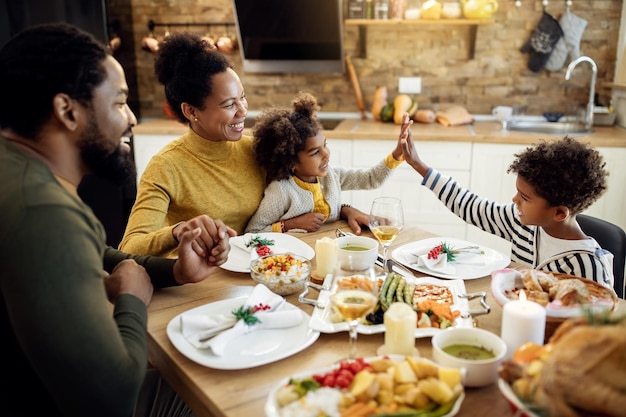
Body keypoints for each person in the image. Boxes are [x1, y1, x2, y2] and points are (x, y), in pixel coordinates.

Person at [0, 23, 234, 417]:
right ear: (67, 111)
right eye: (118, 102)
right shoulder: (43, 211)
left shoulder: (20, 174)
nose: (131, 119)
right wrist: (131, 298)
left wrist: (175, 271)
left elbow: (100, 254)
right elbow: (112, 398)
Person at [119, 32, 370, 257]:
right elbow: (130, 247)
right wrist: (178, 231)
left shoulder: (258, 150)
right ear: (191, 111)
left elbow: (305, 191)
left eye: (243, 98)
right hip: (195, 284)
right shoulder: (166, 167)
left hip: (260, 271)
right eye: (229, 104)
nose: (242, 112)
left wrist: (345, 210)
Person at [398, 113, 615, 290]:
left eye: (525, 198)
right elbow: (471, 206)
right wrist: (417, 164)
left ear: (559, 213)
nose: (515, 200)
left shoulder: (588, 266)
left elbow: (600, 328)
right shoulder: (522, 222)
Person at [245, 91, 405, 233]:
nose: (326, 154)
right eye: (315, 152)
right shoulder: (281, 191)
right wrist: (289, 225)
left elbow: (371, 179)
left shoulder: (332, 176)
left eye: (325, 145)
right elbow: (252, 232)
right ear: (291, 162)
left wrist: (397, 155)